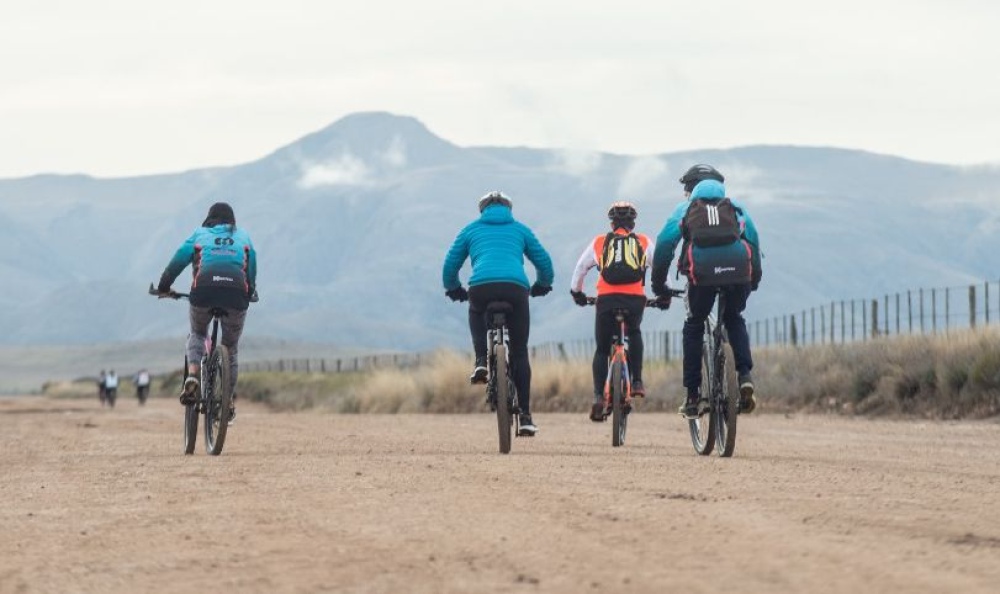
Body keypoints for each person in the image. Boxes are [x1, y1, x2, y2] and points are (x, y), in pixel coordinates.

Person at [650, 165, 762, 419]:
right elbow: (753, 243)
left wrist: (659, 286)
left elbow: (665, 246)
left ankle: (692, 395)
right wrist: (752, 280)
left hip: (702, 277)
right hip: (737, 274)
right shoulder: (736, 209)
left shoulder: (686, 210)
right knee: (734, 318)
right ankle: (744, 375)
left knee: (694, 324)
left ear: (692, 188)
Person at [442, 190, 554, 437]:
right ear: (509, 209)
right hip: (516, 288)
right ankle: (525, 416)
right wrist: (542, 284)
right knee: (520, 351)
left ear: (482, 210)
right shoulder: (520, 229)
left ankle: (481, 361)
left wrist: (453, 288)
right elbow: (544, 261)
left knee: (475, 309)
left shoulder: (470, 230)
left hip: (481, 286)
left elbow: (450, 264)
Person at [156, 202, 257, 425]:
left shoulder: (200, 234)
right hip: (235, 295)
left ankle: (192, 374)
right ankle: (228, 402)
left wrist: (164, 286)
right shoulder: (244, 237)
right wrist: (250, 289)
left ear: (209, 219)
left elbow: (179, 259)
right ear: (232, 221)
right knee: (230, 348)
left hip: (203, 293)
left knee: (198, 333)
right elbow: (251, 267)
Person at [569, 201, 664, 422]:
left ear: (611, 222)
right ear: (633, 222)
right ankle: (638, 382)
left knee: (602, 349)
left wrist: (578, 294)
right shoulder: (643, 241)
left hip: (606, 299)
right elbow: (659, 269)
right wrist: (663, 295)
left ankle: (597, 398)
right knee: (635, 332)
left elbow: (580, 270)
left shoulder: (600, 242)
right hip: (634, 299)